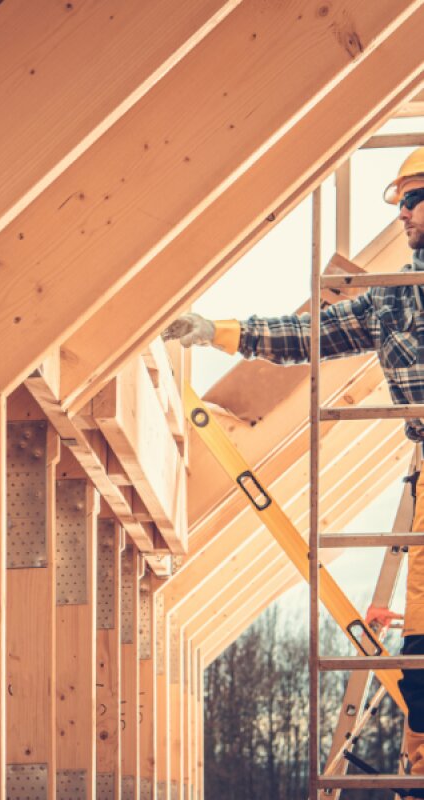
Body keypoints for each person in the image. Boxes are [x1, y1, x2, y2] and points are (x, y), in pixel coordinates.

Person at [162, 146, 424, 781]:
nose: (404, 216)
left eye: (414, 201)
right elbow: (308, 334)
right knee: (420, 660)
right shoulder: (392, 301)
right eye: (402, 205)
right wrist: (219, 331)